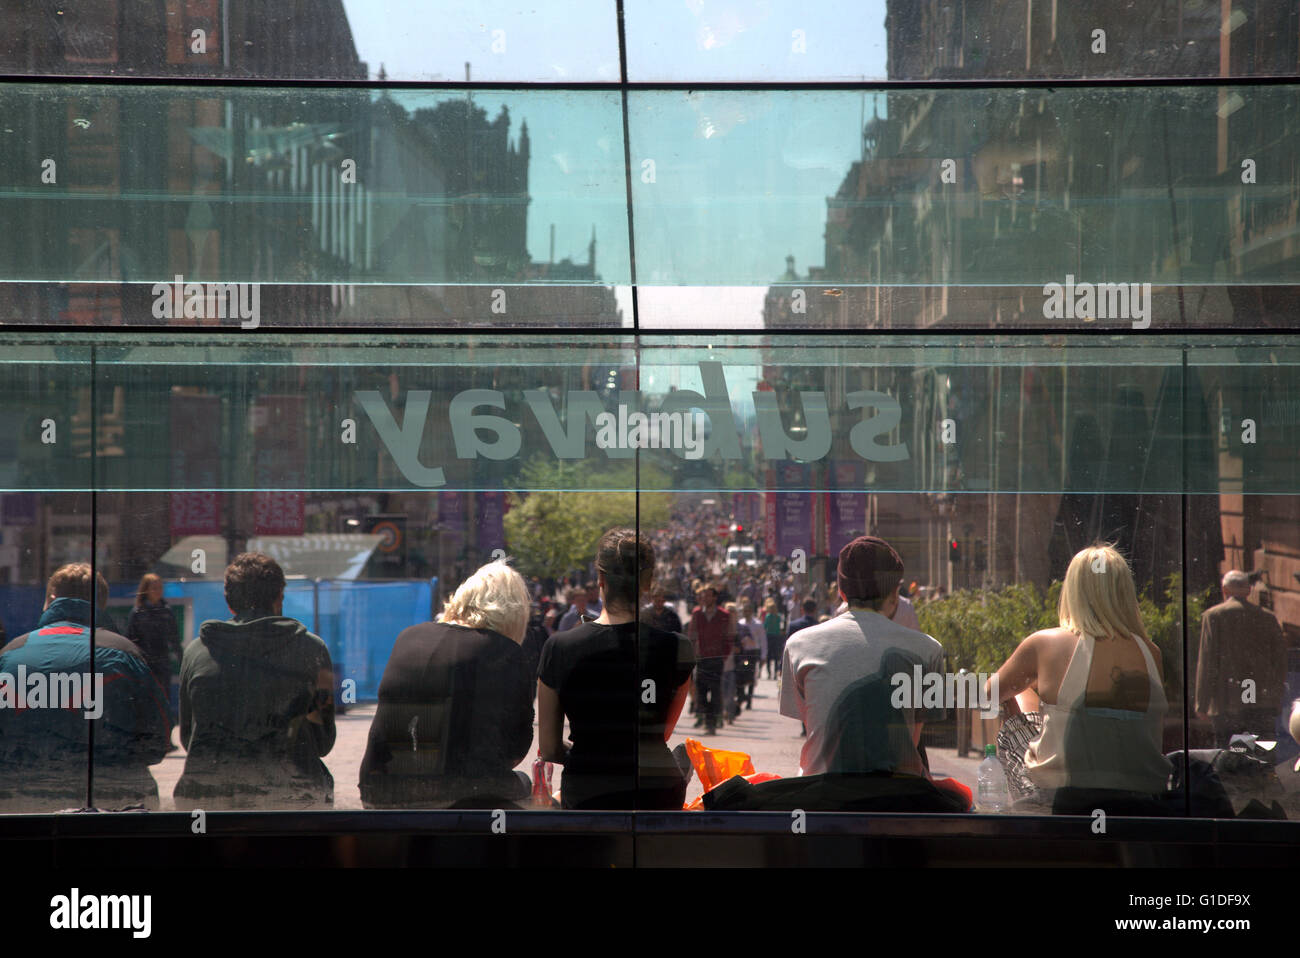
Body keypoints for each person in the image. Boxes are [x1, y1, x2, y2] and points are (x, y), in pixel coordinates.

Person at [990, 544, 1172, 814]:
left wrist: (1027, 695)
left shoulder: (1045, 643)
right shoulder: (1151, 652)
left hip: (1062, 797)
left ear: (1073, 590)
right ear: (1125, 592)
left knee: (1016, 695)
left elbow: (989, 693)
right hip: (1140, 798)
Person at [538, 529, 694, 808]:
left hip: (588, 789)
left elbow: (549, 747)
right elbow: (661, 733)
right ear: (648, 583)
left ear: (600, 579)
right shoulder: (678, 647)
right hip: (656, 790)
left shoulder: (559, 647)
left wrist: (593, 754)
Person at [359, 561, 534, 808]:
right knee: (529, 788)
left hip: (379, 790)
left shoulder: (409, 636)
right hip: (454, 796)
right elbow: (515, 747)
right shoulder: (504, 652)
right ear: (515, 614)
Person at [0, 563, 169, 811]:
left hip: (22, 807)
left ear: (51, 600)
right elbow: (158, 741)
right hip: (110, 806)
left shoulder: (10, 655)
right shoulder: (124, 654)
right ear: (101, 604)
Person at [174, 552, 335, 809]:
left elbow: (188, 738)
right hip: (293, 800)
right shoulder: (313, 651)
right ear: (279, 597)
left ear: (230, 603)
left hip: (207, 799)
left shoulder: (196, 652)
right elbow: (323, 741)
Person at [780, 537, 944, 777]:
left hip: (820, 795)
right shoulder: (929, 650)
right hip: (895, 795)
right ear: (895, 591)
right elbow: (912, 741)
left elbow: (814, 725)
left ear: (841, 592)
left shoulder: (798, 645)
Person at [1195, 570, 1288, 745]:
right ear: (1248, 591)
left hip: (1226, 701)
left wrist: (1202, 702)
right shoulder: (1267, 617)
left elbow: (1207, 661)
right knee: (1257, 753)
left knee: (1228, 753)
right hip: (1260, 699)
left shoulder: (1214, 616)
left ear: (1224, 590)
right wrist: (1277, 696)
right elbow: (1280, 661)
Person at [126, 573, 183, 744]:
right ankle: (147, 739)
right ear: (146, 590)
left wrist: (182, 661)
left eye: (160, 587)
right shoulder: (138, 613)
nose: (158, 591)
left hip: (162, 664)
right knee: (146, 702)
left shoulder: (166, 611)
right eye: (154, 587)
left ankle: (165, 739)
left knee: (164, 701)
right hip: (145, 665)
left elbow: (174, 639)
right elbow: (131, 640)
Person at [687, 582, 735, 735]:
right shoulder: (697, 614)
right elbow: (692, 635)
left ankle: (711, 723)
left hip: (716, 659)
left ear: (714, 597)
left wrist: (724, 656)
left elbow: (729, 638)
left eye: (708, 595)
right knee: (701, 692)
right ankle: (706, 717)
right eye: (703, 595)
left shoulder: (724, 615)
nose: (705, 598)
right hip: (701, 659)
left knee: (715, 692)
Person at [763, 596, 783, 679]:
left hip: (769, 636)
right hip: (776, 636)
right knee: (776, 655)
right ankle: (775, 672)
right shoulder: (778, 616)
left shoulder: (768, 616)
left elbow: (765, 626)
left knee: (769, 655)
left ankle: (769, 673)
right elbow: (780, 627)